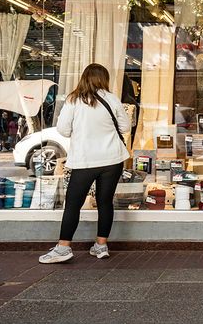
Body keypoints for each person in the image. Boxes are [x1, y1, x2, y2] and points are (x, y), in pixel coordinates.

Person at [39, 63, 131, 264]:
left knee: (73, 203)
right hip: (112, 159)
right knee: (105, 202)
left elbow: (63, 130)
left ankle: (63, 248)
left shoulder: (74, 100)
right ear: (104, 79)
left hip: (85, 160)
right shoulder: (112, 98)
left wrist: (81, 131)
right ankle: (101, 245)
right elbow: (125, 126)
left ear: (84, 78)